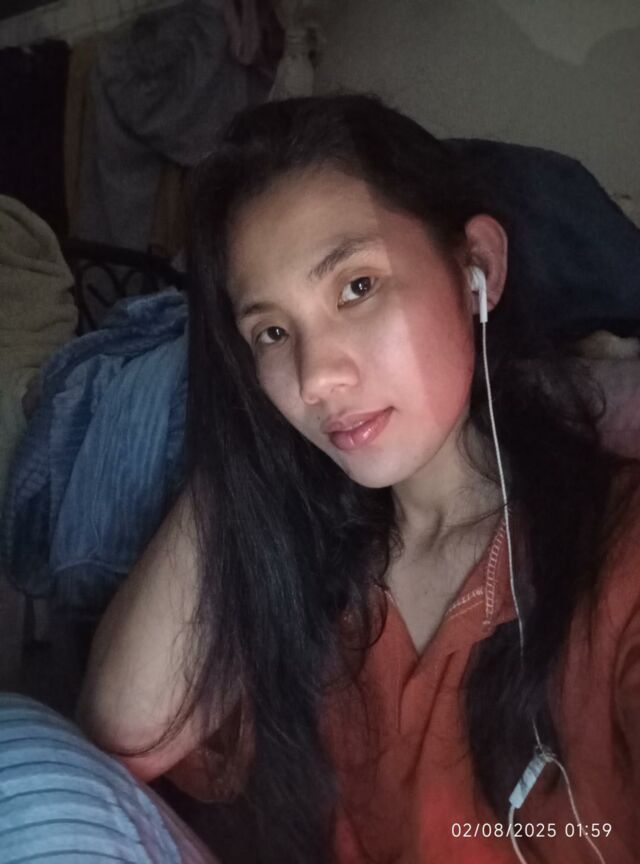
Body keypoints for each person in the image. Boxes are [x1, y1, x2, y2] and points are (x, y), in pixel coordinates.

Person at [1, 94, 639, 864]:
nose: (314, 379)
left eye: (357, 287)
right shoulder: (316, 570)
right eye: (273, 332)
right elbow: (124, 730)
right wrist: (248, 438)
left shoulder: (617, 552)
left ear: (477, 267)